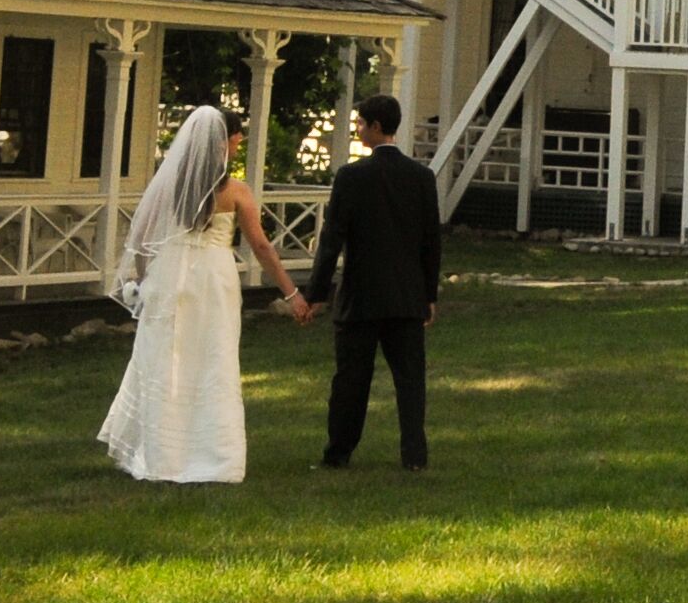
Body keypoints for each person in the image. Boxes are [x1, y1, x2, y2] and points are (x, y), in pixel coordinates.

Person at [98, 102, 307, 483]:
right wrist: (291, 293)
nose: (238, 141)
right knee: (213, 360)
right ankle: (213, 456)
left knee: (166, 360)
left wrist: (146, 284)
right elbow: (261, 247)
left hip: (170, 276)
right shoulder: (236, 191)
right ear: (221, 142)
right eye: (234, 136)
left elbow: (142, 240)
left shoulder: (169, 185)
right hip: (213, 280)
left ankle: (160, 452)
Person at [304, 89, 445, 469]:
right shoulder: (421, 177)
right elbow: (431, 240)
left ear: (376, 126)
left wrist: (315, 294)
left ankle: (339, 452)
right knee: (410, 380)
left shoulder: (351, 177)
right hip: (406, 295)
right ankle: (414, 455)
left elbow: (332, 239)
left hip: (361, 296)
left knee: (351, 380)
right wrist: (428, 294)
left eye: (360, 125)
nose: (358, 131)